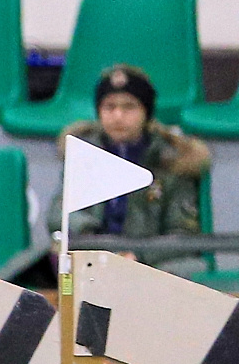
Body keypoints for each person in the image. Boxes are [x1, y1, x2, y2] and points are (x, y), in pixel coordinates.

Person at [47, 64, 211, 241]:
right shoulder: (83, 153)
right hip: (94, 256)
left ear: (146, 113)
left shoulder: (173, 158)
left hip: (152, 262)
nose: (118, 116)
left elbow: (182, 231)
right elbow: (59, 214)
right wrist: (93, 236)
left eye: (129, 107)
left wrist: (139, 254)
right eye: (109, 107)